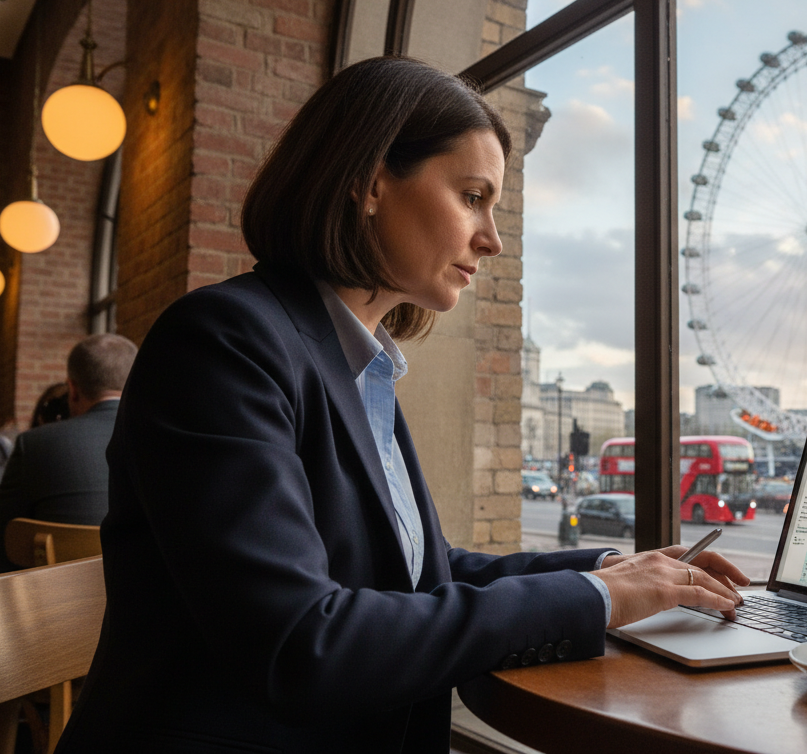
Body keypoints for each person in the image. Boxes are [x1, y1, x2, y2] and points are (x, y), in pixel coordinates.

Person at [57, 57, 747, 754]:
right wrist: (596, 601)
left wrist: (612, 572)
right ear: (370, 182)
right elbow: (302, 641)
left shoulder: (356, 363)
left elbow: (420, 573)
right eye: (472, 196)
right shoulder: (222, 343)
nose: (492, 238)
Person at [0, 335, 136, 574]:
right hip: (145, 601)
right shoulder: (166, 442)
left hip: (55, 604)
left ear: (72, 389)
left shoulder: (35, 443)